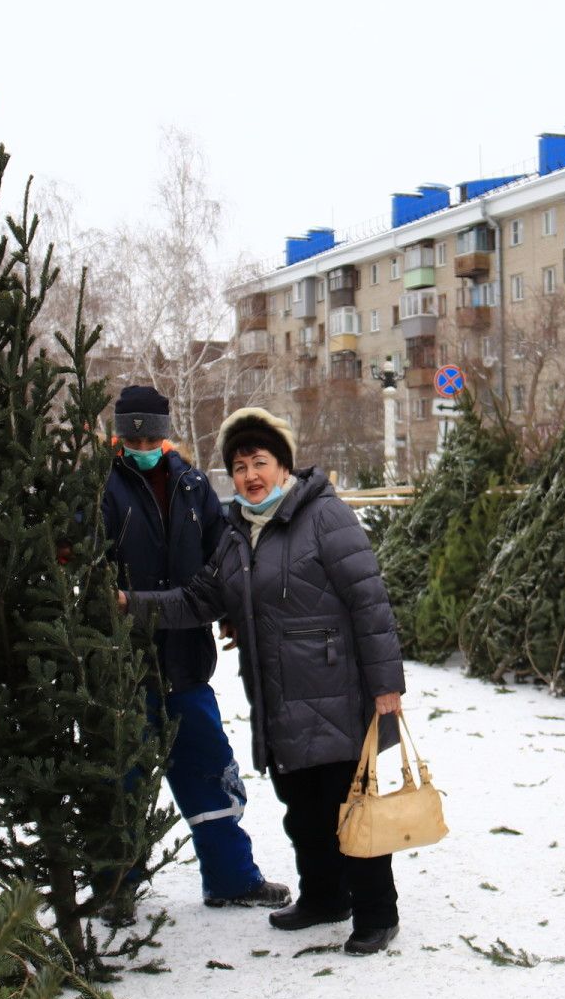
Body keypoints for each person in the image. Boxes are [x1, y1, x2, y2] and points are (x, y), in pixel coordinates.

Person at [121, 407, 407, 956]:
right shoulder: (236, 535)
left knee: (352, 808)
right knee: (302, 810)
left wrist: (385, 687)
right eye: (239, 466)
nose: (250, 475)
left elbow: (370, 604)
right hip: (278, 698)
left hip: (336, 690)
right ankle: (325, 897)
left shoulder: (325, 517)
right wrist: (129, 604)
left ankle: (377, 912)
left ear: (283, 466)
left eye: (260, 462)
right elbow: (197, 599)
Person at [101, 385, 289, 912]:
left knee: (210, 771)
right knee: (127, 778)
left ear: (165, 435)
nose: (141, 442)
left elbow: (218, 554)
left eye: (150, 434)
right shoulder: (101, 487)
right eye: (132, 434)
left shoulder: (191, 486)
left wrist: (228, 609)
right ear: (119, 433)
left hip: (186, 661)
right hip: (122, 666)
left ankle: (231, 878)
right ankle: (119, 887)